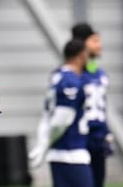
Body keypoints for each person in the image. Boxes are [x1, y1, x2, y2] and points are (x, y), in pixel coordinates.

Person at [29, 39, 93, 187]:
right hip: (71, 152)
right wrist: (44, 145)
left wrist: (42, 143)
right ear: (82, 55)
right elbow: (61, 119)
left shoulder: (57, 76)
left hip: (62, 153)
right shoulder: (70, 81)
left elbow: (46, 115)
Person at [72, 22, 114, 187]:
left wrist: (107, 132)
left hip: (98, 138)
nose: (99, 45)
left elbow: (101, 106)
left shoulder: (100, 74)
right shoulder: (72, 74)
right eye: (95, 40)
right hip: (80, 138)